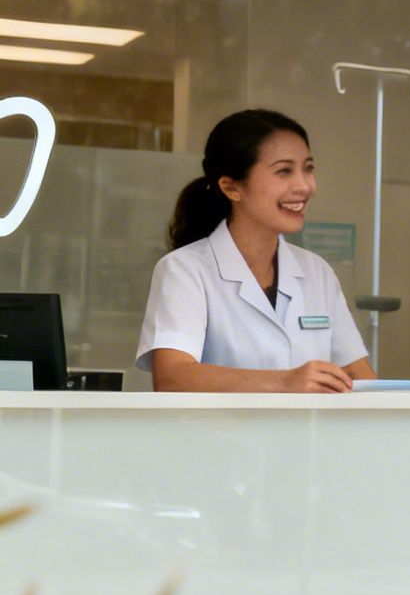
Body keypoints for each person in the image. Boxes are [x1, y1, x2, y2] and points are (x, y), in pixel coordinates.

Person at [138, 109, 375, 393]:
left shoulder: (317, 272)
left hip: (308, 437)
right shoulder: (185, 270)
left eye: (308, 168)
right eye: (284, 171)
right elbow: (172, 378)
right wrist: (286, 382)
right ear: (231, 187)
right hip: (217, 437)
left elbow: (360, 377)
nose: (305, 186)